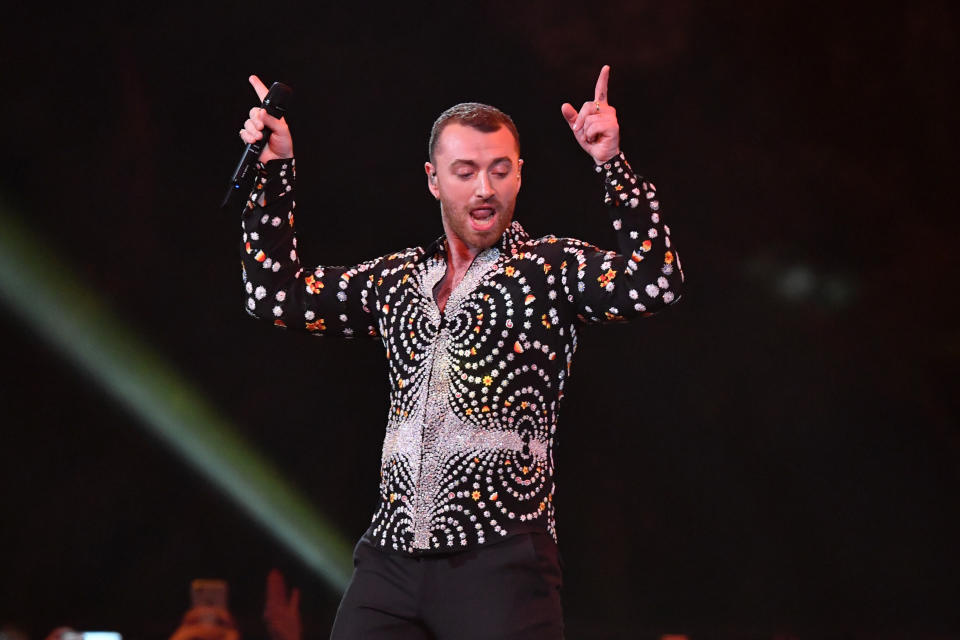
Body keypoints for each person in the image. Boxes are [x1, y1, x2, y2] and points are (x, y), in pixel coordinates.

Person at [235, 65, 683, 639]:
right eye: (465, 171)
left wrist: (611, 165)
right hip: (390, 559)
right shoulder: (399, 279)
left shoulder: (549, 268)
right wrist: (274, 172)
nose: (484, 189)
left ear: (520, 175)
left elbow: (656, 282)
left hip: (501, 561)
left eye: (500, 171)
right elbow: (274, 295)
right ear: (433, 179)